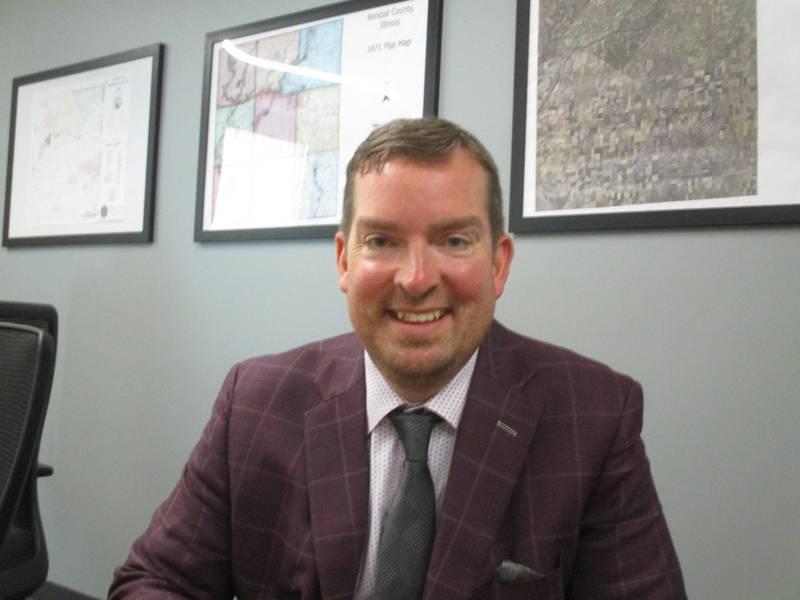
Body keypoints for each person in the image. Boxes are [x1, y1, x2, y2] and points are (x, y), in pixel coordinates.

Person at [109, 118, 686, 599]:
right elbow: (154, 581)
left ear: (499, 263)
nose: (415, 280)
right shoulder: (256, 401)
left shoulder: (594, 415)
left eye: (454, 241)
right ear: (343, 260)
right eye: (382, 241)